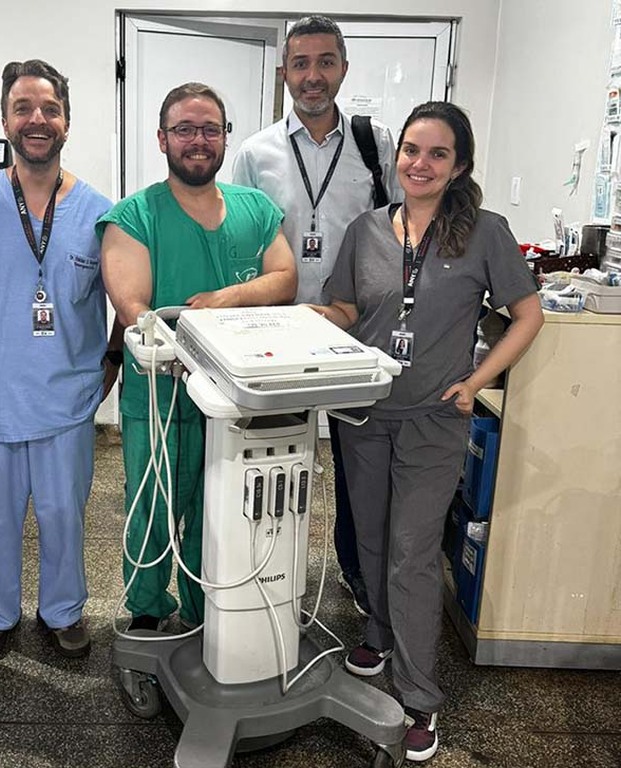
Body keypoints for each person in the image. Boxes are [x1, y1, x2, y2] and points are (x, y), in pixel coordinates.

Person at [315, 101, 543, 761]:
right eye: (411, 149)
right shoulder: (364, 230)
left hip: (432, 422)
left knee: (413, 555)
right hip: (362, 413)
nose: (418, 163)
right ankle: (379, 634)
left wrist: (474, 383)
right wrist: (290, 324)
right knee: (373, 540)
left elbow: (526, 316)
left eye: (436, 153)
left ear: (459, 165)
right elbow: (343, 308)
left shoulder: (484, 233)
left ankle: (418, 699)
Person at [98, 82, 296, 632]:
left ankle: (211, 613)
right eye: (184, 129)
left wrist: (224, 300)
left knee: (225, 514)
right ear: (162, 139)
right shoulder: (134, 216)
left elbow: (284, 280)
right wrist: (193, 336)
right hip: (164, 396)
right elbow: (136, 308)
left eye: (210, 129)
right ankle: (145, 614)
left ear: (226, 138)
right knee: (155, 513)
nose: (198, 140)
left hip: (240, 400)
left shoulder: (256, 210)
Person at [0, 59, 115, 663]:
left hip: (66, 392)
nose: (36, 120)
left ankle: (63, 610)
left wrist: (110, 362)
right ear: (5, 119)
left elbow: (121, 297)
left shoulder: (99, 212)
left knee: (65, 512)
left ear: (67, 120)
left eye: (49, 109)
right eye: (23, 108)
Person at [232, 15, 401, 617]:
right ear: (284, 73)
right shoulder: (255, 152)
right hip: (278, 331)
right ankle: (267, 575)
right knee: (275, 459)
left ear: (344, 68)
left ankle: (355, 572)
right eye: (300, 64)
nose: (312, 76)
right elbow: (242, 239)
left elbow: (402, 227)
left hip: (357, 328)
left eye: (325, 62)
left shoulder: (375, 143)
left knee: (360, 464)